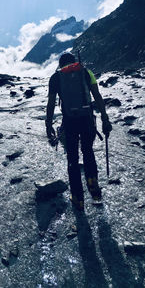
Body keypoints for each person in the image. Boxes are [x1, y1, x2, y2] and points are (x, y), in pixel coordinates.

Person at [45, 52, 112, 211]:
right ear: (74, 62)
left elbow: (51, 103)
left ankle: (78, 199)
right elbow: (97, 96)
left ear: (61, 65)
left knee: (72, 159)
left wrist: (48, 124)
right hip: (87, 119)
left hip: (69, 121)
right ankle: (94, 189)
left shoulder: (55, 78)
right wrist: (105, 118)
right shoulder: (86, 72)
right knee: (88, 152)